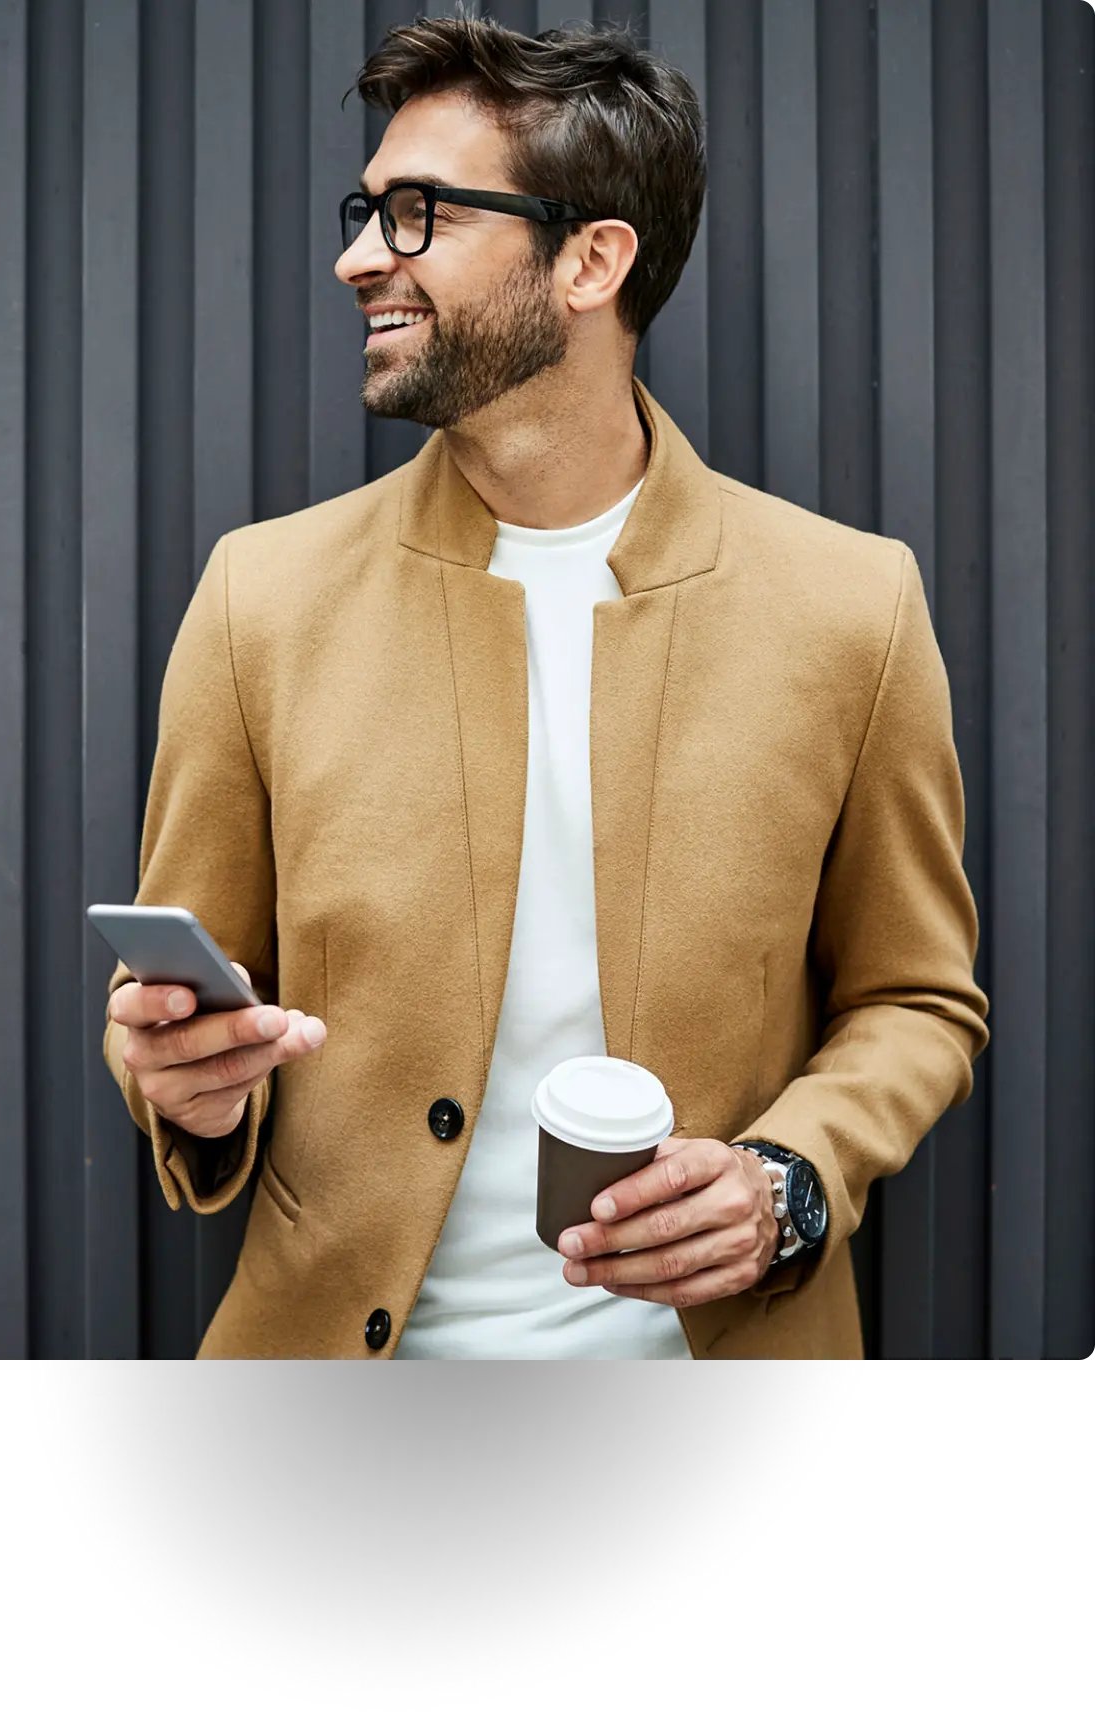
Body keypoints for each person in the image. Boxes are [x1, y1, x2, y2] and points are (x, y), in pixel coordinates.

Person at [102, 12, 989, 1361]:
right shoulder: (258, 598)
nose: (357, 259)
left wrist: (791, 1180)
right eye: (365, 211)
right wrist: (179, 1082)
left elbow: (917, 1001)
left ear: (590, 258)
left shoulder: (853, 606)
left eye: (415, 217)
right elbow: (187, 1009)